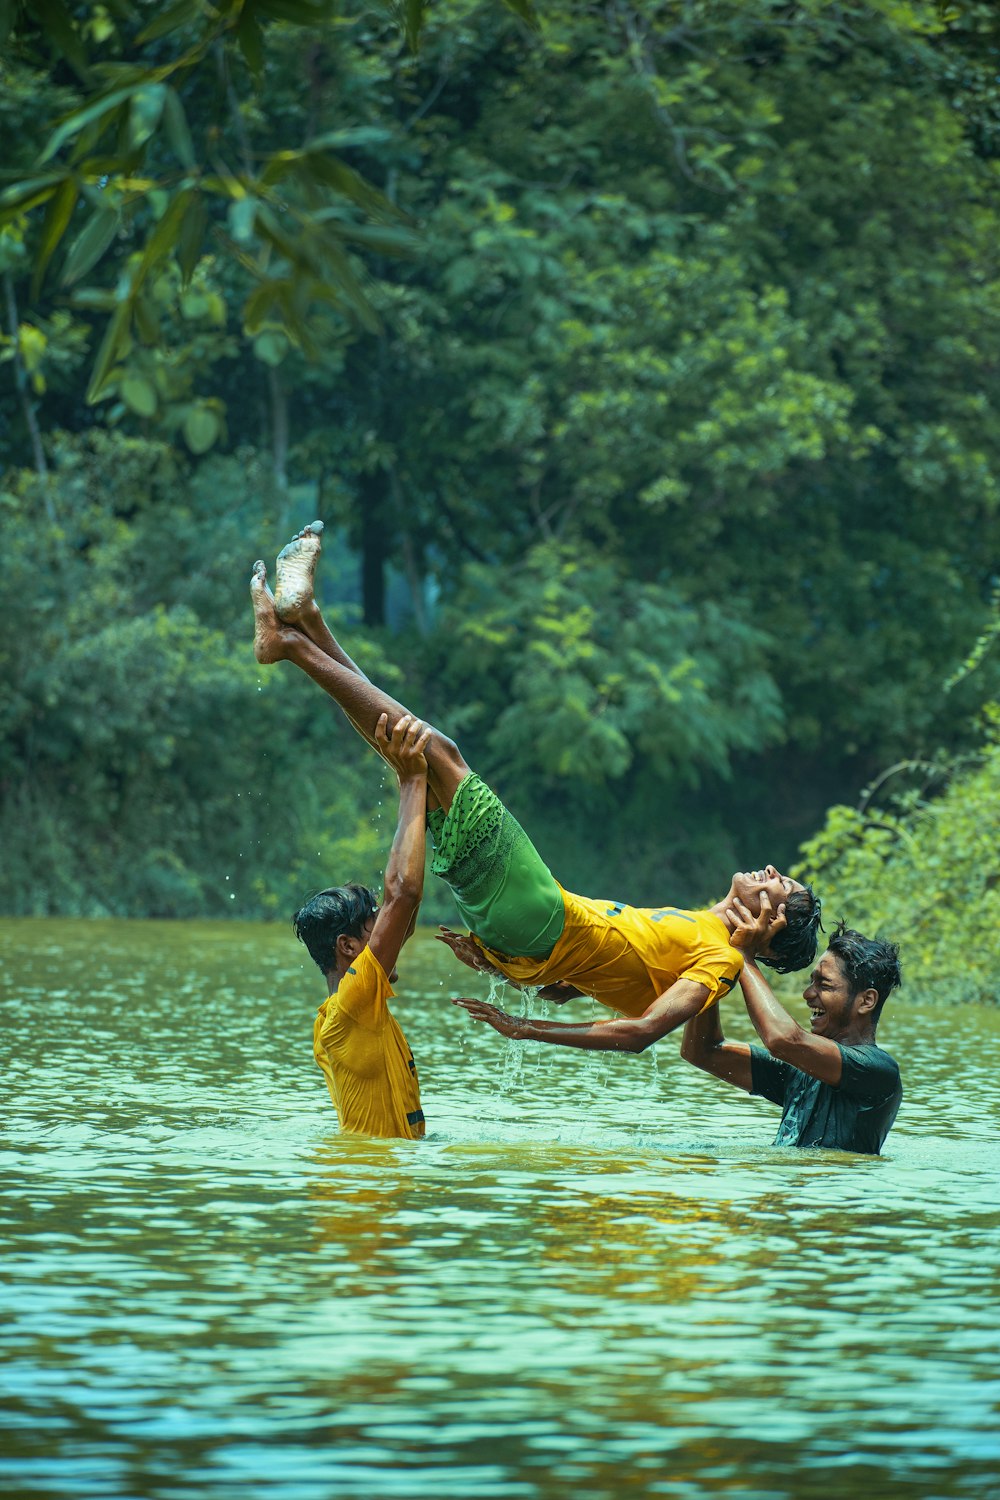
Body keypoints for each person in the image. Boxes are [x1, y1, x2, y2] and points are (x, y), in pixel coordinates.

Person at [250, 521, 822, 1055]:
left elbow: (642, 1033)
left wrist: (524, 1029)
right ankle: (309, 623)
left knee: (440, 756)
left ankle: (294, 643)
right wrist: (503, 967)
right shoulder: (702, 936)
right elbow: (575, 984)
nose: (772, 873)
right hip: (525, 935)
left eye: (781, 888)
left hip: (541, 914)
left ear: (772, 928)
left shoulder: (718, 959)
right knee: (421, 757)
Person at [680, 893, 903, 1153]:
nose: (808, 994)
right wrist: (714, 957)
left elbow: (783, 1039)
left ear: (866, 1001)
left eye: (825, 985)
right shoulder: (800, 1072)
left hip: (832, 1192)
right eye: (811, 982)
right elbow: (701, 1050)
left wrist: (743, 957)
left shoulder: (879, 1072)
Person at [299, 710, 431, 1139]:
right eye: (374, 922)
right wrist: (413, 781)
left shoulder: (339, 1010)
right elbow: (404, 895)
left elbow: (404, 914)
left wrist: (408, 793)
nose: (390, 931)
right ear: (348, 946)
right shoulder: (355, 998)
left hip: (367, 1186)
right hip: (365, 1197)